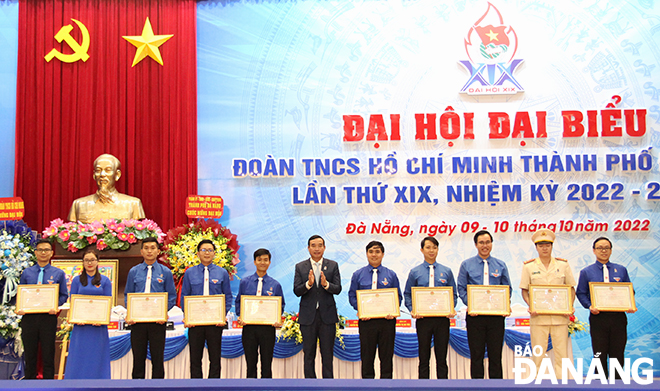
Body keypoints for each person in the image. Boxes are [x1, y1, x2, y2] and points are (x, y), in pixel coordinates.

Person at [576, 237, 636, 378]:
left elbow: (630, 290)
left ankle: (617, 382)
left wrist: (629, 304)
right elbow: (581, 293)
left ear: (611, 250)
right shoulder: (586, 272)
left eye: (606, 248)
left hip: (618, 318)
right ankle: (600, 383)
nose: (603, 250)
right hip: (598, 317)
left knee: (618, 352)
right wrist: (589, 306)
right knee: (599, 353)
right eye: (600, 248)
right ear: (594, 250)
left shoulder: (621, 270)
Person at [520, 228, 576, 378]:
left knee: (562, 356)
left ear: (552, 246)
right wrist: (531, 305)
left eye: (547, 245)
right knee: (538, 355)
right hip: (539, 318)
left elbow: (570, 289)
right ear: (536, 247)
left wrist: (569, 306)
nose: (544, 248)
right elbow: (524, 291)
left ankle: (563, 385)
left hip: (560, 317)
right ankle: (536, 384)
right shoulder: (529, 266)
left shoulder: (563, 265)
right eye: (541, 245)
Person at [457, 230, 511, 379]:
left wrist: (505, 305)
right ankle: (476, 387)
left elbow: (507, 288)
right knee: (476, 356)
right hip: (475, 317)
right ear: (476, 245)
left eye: (487, 242)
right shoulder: (466, 265)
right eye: (481, 242)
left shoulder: (500, 265)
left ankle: (497, 388)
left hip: (496, 317)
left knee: (495, 357)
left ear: (491, 244)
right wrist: (471, 305)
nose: (484, 245)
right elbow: (461, 288)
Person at [404, 236, 457, 379]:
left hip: (442, 320)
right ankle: (423, 387)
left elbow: (454, 294)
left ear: (438, 250)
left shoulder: (447, 271)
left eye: (434, 247)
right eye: (428, 247)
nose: (431, 250)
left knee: (442, 359)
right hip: (423, 320)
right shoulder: (415, 272)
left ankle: (444, 387)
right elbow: (408, 294)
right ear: (422, 250)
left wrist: (451, 308)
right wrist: (412, 310)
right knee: (423, 358)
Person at [124, 237, 177, 379]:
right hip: (138, 322)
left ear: (158, 251)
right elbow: (127, 294)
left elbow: (171, 296)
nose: (149, 251)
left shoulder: (165, 272)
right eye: (146, 248)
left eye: (153, 248)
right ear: (141, 251)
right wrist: (130, 313)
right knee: (138, 360)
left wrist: (163, 313)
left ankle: (158, 388)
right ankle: (136, 388)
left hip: (157, 322)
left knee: (157, 360)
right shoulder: (133, 272)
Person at [348, 240, 402, 379]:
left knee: (386, 358)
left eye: (377, 251)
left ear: (382, 254)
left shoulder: (391, 275)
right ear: (366, 254)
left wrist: (394, 310)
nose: (374, 254)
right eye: (371, 251)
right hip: (366, 322)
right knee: (367, 358)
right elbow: (352, 296)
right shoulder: (358, 274)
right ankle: (367, 387)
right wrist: (360, 309)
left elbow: (398, 297)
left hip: (387, 322)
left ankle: (387, 386)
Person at [180, 239, 232, 379]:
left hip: (215, 323)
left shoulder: (222, 273)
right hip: (195, 323)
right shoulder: (190, 273)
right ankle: (196, 386)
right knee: (195, 359)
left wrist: (223, 315)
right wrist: (187, 316)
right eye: (203, 250)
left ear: (214, 253)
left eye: (210, 250)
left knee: (215, 359)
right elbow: (185, 295)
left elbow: (227, 296)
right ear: (198, 253)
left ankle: (214, 386)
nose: (207, 253)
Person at [17, 239, 68, 379]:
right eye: (40, 250)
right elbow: (21, 293)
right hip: (29, 318)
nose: (43, 253)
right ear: (35, 253)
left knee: (48, 354)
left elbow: (64, 294)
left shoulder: (58, 273)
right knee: (30, 353)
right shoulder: (27, 273)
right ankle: (29, 384)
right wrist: (21, 307)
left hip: (48, 318)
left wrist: (55, 306)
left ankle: (49, 384)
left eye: (46, 250)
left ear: (51, 253)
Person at [293, 235, 342, 379]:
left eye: (320, 245)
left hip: (327, 317)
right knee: (309, 355)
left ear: (324, 248)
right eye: (313, 245)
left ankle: (328, 386)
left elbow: (338, 288)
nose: (316, 248)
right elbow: (296, 291)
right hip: (308, 318)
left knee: (327, 355)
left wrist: (326, 284)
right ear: (308, 248)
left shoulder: (332, 265)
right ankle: (309, 386)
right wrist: (308, 284)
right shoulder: (300, 267)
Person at [64, 247, 113, 379]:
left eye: (92, 260)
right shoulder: (76, 280)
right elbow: (72, 301)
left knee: (97, 355)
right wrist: (75, 318)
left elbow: (108, 303)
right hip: (81, 327)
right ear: (83, 262)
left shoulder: (105, 281)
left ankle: (99, 381)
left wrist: (102, 319)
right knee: (80, 354)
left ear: (97, 262)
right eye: (86, 260)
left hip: (98, 327)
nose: (89, 263)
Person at [236, 248, 284, 378]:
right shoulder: (245, 282)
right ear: (254, 262)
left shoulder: (275, 285)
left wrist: (277, 318)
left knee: (267, 364)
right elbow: (238, 302)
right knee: (250, 364)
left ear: (269, 262)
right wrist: (240, 316)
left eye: (265, 260)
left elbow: (281, 305)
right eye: (259, 260)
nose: (262, 262)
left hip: (268, 329)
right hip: (249, 328)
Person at [68, 153, 145, 223]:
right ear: (94, 175)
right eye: (98, 170)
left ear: (117, 175)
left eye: (108, 170)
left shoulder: (133, 204)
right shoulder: (78, 204)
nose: (102, 174)